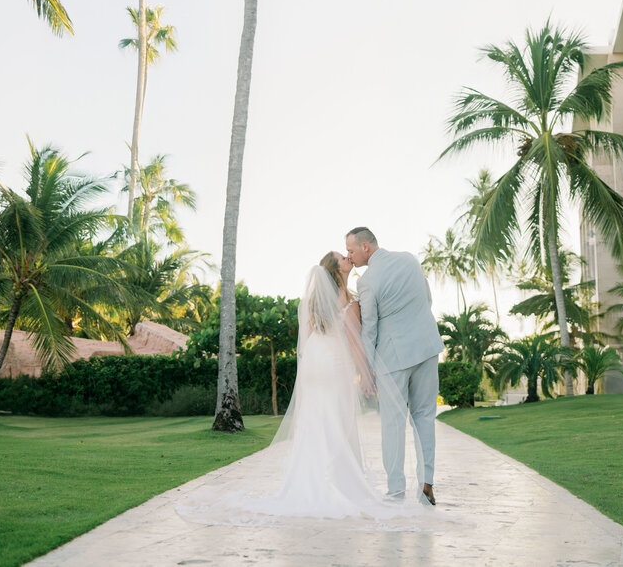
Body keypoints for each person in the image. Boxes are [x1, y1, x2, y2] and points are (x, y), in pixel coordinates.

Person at [177, 252, 430, 527]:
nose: (348, 257)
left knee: (315, 419)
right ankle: (339, 483)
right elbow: (355, 343)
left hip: (313, 361)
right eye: (343, 257)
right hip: (334, 362)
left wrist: (309, 366)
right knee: (338, 418)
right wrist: (366, 375)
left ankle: (307, 482)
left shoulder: (312, 302)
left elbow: (306, 339)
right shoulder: (348, 301)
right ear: (336, 270)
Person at [345, 226, 444, 505]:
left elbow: (370, 329)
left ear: (366, 247)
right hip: (427, 347)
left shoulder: (368, 281)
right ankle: (426, 485)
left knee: (393, 423)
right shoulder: (410, 259)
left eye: (351, 250)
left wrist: (367, 369)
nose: (350, 257)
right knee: (425, 416)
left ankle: (396, 488)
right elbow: (428, 300)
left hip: (393, 359)